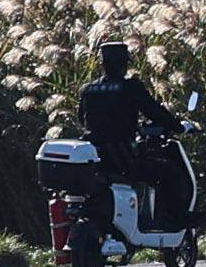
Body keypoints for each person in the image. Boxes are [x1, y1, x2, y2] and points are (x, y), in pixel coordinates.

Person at [73, 37, 192, 238]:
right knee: (169, 172)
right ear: (124, 64)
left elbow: (82, 119)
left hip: (96, 157)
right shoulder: (131, 87)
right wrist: (178, 126)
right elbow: (154, 111)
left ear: (101, 64)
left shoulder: (88, 89)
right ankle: (174, 219)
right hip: (122, 156)